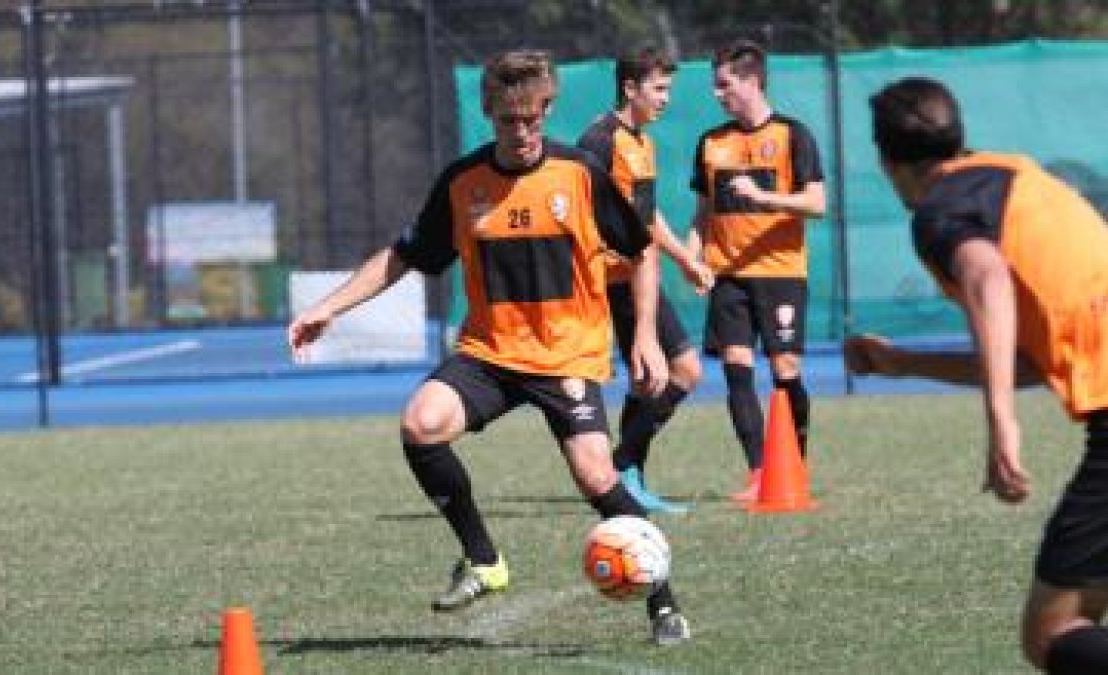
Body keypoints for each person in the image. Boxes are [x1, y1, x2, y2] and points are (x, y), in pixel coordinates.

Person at [288, 49, 691, 645]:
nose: (523, 133)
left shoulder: (579, 173)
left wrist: (648, 338)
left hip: (566, 354)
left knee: (594, 474)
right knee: (422, 423)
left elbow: (641, 251)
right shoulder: (463, 183)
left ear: (547, 109)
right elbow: (404, 257)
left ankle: (663, 604)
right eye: (509, 121)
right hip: (491, 352)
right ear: (489, 114)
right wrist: (327, 308)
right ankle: (484, 560)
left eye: (533, 119)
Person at [846, 76, 1108, 673]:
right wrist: (905, 363)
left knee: (1055, 631)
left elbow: (986, 277)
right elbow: (1029, 359)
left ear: (890, 164)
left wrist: (1002, 424)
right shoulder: (1018, 177)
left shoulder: (942, 210)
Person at [686, 39, 826, 501]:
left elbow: (816, 204)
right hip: (728, 276)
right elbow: (702, 211)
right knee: (735, 369)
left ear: (751, 81)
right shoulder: (711, 142)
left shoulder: (793, 135)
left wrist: (765, 198)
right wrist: (693, 256)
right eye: (716, 85)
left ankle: (794, 468)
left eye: (725, 84)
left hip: (781, 272)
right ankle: (758, 474)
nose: (718, 93)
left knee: (785, 370)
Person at [576, 46, 712, 514]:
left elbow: (646, 218)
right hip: (613, 281)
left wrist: (684, 260)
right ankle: (623, 469)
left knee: (665, 376)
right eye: (658, 89)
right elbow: (587, 214)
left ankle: (626, 470)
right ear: (630, 88)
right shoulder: (599, 141)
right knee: (670, 373)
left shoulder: (643, 143)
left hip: (641, 276)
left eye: (668, 90)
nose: (666, 99)